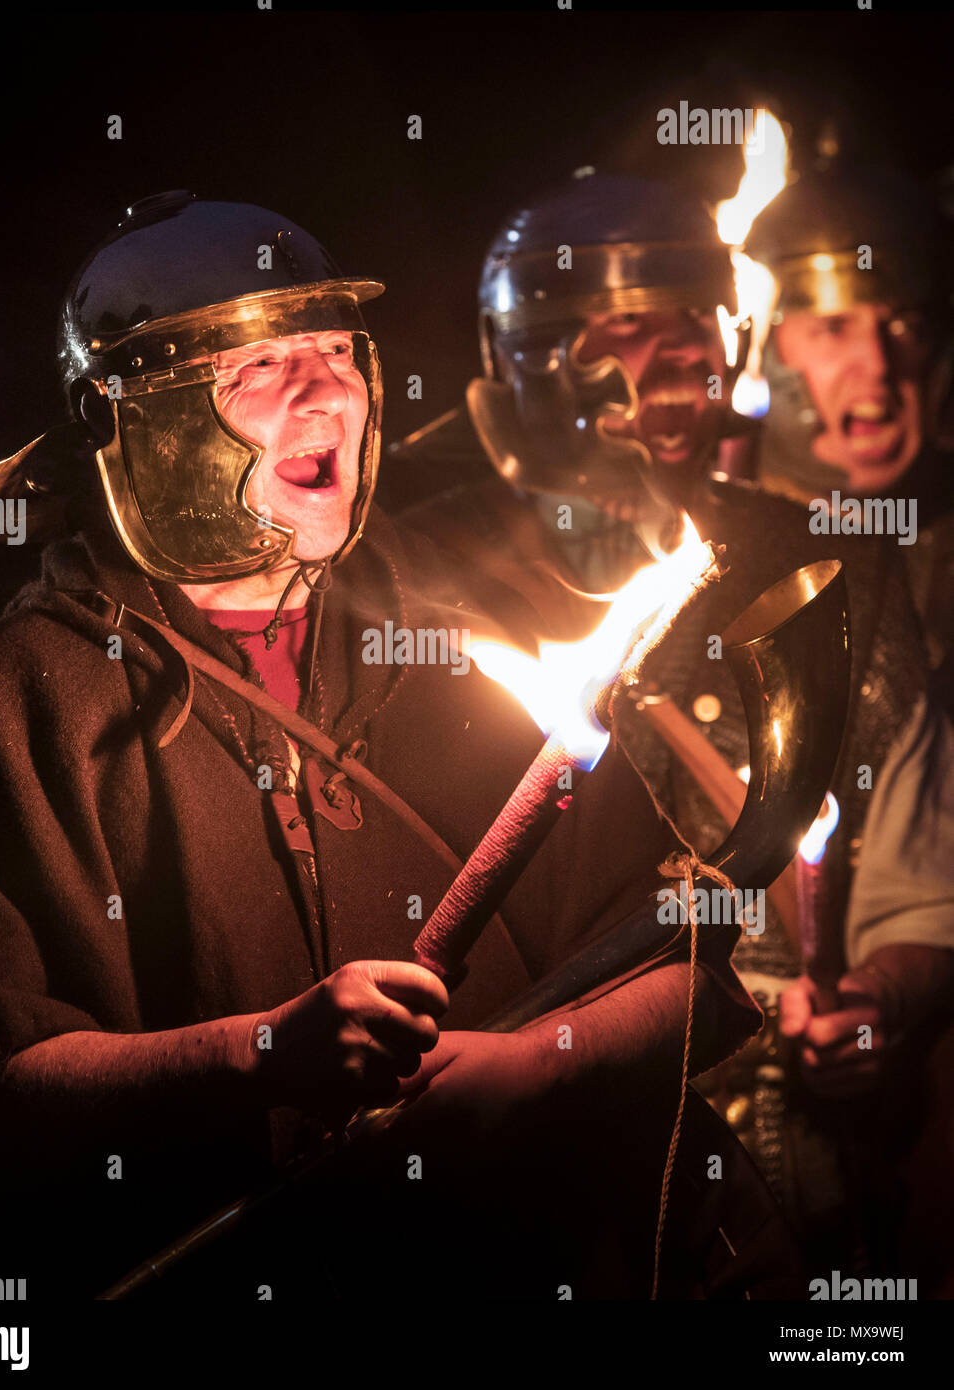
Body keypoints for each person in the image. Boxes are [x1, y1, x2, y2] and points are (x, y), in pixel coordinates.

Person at [0, 191, 765, 1302]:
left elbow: (684, 962)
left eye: (334, 352)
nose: (323, 392)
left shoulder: (456, 648)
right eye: (253, 368)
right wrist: (259, 1056)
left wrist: (527, 1069)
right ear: (128, 422)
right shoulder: (4, 708)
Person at [391, 168, 954, 1277]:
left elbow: (918, 881)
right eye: (625, 336)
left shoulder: (828, 559)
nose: (671, 368)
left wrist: (875, 1005)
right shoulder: (411, 577)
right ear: (535, 357)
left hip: (807, 1182)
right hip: (542, 1180)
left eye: (691, 331)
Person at [745, 161, 954, 687]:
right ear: (764, 352)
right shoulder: (688, 558)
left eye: (905, 325)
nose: (879, 363)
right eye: (833, 327)